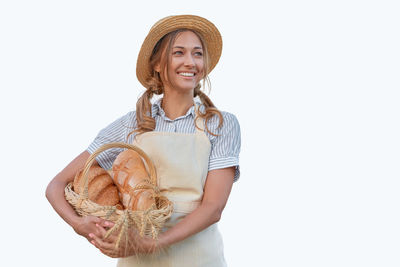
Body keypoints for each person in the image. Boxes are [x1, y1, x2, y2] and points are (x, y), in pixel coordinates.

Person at [46, 15, 241, 266]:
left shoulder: (221, 124)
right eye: (179, 53)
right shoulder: (131, 125)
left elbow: (213, 208)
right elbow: (56, 185)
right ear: (158, 64)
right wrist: (79, 224)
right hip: (137, 257)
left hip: (198, 257)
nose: (190, 62)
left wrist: (152, 244)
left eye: (198, 54)